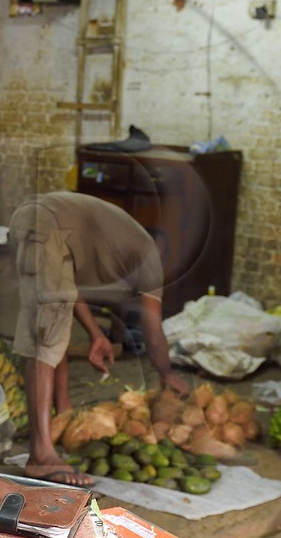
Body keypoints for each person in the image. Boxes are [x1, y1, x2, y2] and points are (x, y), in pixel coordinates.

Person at [10, 191, 190, 488]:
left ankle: (62, 412)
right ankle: (41, 456)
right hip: (45, 226)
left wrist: (96, 334)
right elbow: (153, 331)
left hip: (33, 219)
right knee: (46, 341)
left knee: (52, 328)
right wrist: (166, 373)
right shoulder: (150, 257)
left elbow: (68, 294)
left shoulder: (121, 240)